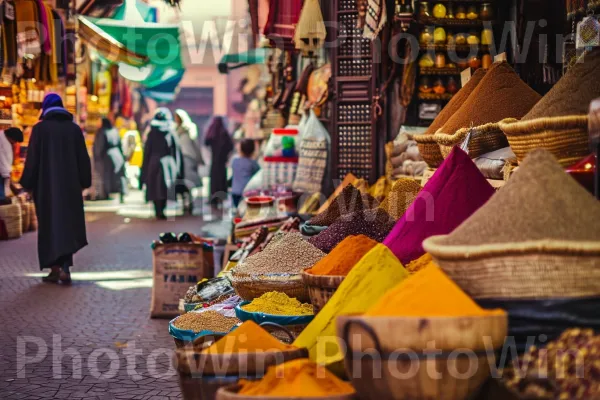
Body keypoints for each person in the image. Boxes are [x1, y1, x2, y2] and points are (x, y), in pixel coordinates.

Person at [20, 93, 92, 284]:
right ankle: (66, 267)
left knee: (49, 226)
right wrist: (85, 182)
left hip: (46, 189)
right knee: (67, 226)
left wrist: (26, 183)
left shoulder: (39, 129)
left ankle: (54, 268)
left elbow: (32, 159)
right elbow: (83, 159)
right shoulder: (74, 129)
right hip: (70, 188)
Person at [140, 108, 183, 220]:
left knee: (155, 188)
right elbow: (176, 152)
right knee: (164, 189)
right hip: (168, 165)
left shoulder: (152, 133)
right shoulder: (171, 133)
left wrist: (144, 170)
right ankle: (161, 210)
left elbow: (147, 152)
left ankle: (158, 210)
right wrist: (178, 168)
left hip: (153, 164)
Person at [174, 109, 204, 215]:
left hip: (188, 157)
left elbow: (195, 144)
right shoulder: (175, 130)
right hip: (178, 158)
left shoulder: (190, 129)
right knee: (180, 181)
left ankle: (189, 203)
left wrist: (199, 158)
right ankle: (184, 203)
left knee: (188, 182)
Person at [93, 118, 126, 203]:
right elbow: (120, 143)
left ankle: (105, 194)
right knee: (120, 176)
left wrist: (97, 156)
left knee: (106, 176)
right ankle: (122, 193)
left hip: (107, 156)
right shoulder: (115, 130)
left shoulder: (102, 132)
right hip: (118, 154)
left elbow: (100, 145)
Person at [204, 116, 233, 210]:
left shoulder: (212, 133)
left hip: (214, 161)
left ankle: (213, 199)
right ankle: (221, 198)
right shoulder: (224, 133)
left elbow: (206, 143)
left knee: (214, 181)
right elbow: (230, 146)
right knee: (221, 180)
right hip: (222, 162)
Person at [231, 139, 260, 208]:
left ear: (240, 149)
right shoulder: (253, 163)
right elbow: (259, 173)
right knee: (246, 211)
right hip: (247, 193)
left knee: (238, 209)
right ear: (253, 151)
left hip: (235, 193)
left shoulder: (235, 161)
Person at [0, 127, 23, 200]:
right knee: (2, 197)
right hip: (2, 174)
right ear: (10, 137)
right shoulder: (2, 142)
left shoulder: (5, 140)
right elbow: (2, 160)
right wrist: (7, 174)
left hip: (3, 173)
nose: (15, 143)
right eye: (15, 141)